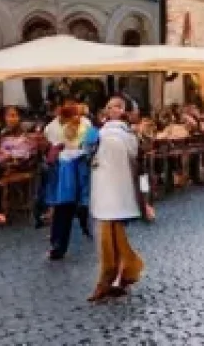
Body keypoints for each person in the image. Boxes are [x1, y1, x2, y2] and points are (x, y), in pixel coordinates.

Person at [88, 96, 151, 303]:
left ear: (125, 110)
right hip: (103, 186)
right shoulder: (98, 131)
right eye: (110, 106)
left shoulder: (129, 133)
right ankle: (125, 270)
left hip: (120, 186)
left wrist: (145, 197)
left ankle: (112, 275)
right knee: (111, 232)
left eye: (118, 106)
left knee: (111, 231)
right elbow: (88, 152)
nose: (113, 109)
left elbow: (138, 159)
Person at [45, 104, 99, 259]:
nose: (76, 118)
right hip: (67, 169)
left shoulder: (84, 124)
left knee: (71, 205)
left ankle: (61, 243)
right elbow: (54, 146)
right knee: (66, 206)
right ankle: (59, 244)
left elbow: (91, 141)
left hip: (76, 167)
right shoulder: (53, 127)